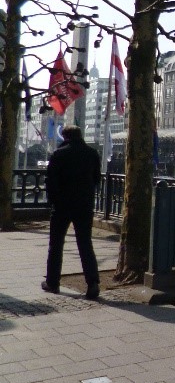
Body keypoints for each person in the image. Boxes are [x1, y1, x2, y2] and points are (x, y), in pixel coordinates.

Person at [43, 125, 101, 300]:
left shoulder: (59, 154)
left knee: (56, 244)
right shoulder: (92, 153)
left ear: (65, 137)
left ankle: (53, 282)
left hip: (62, 206)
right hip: (84, 206)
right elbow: (96, 179)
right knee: (85, 244)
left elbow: (50, 181)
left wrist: (53, 201)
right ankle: (93, 283)